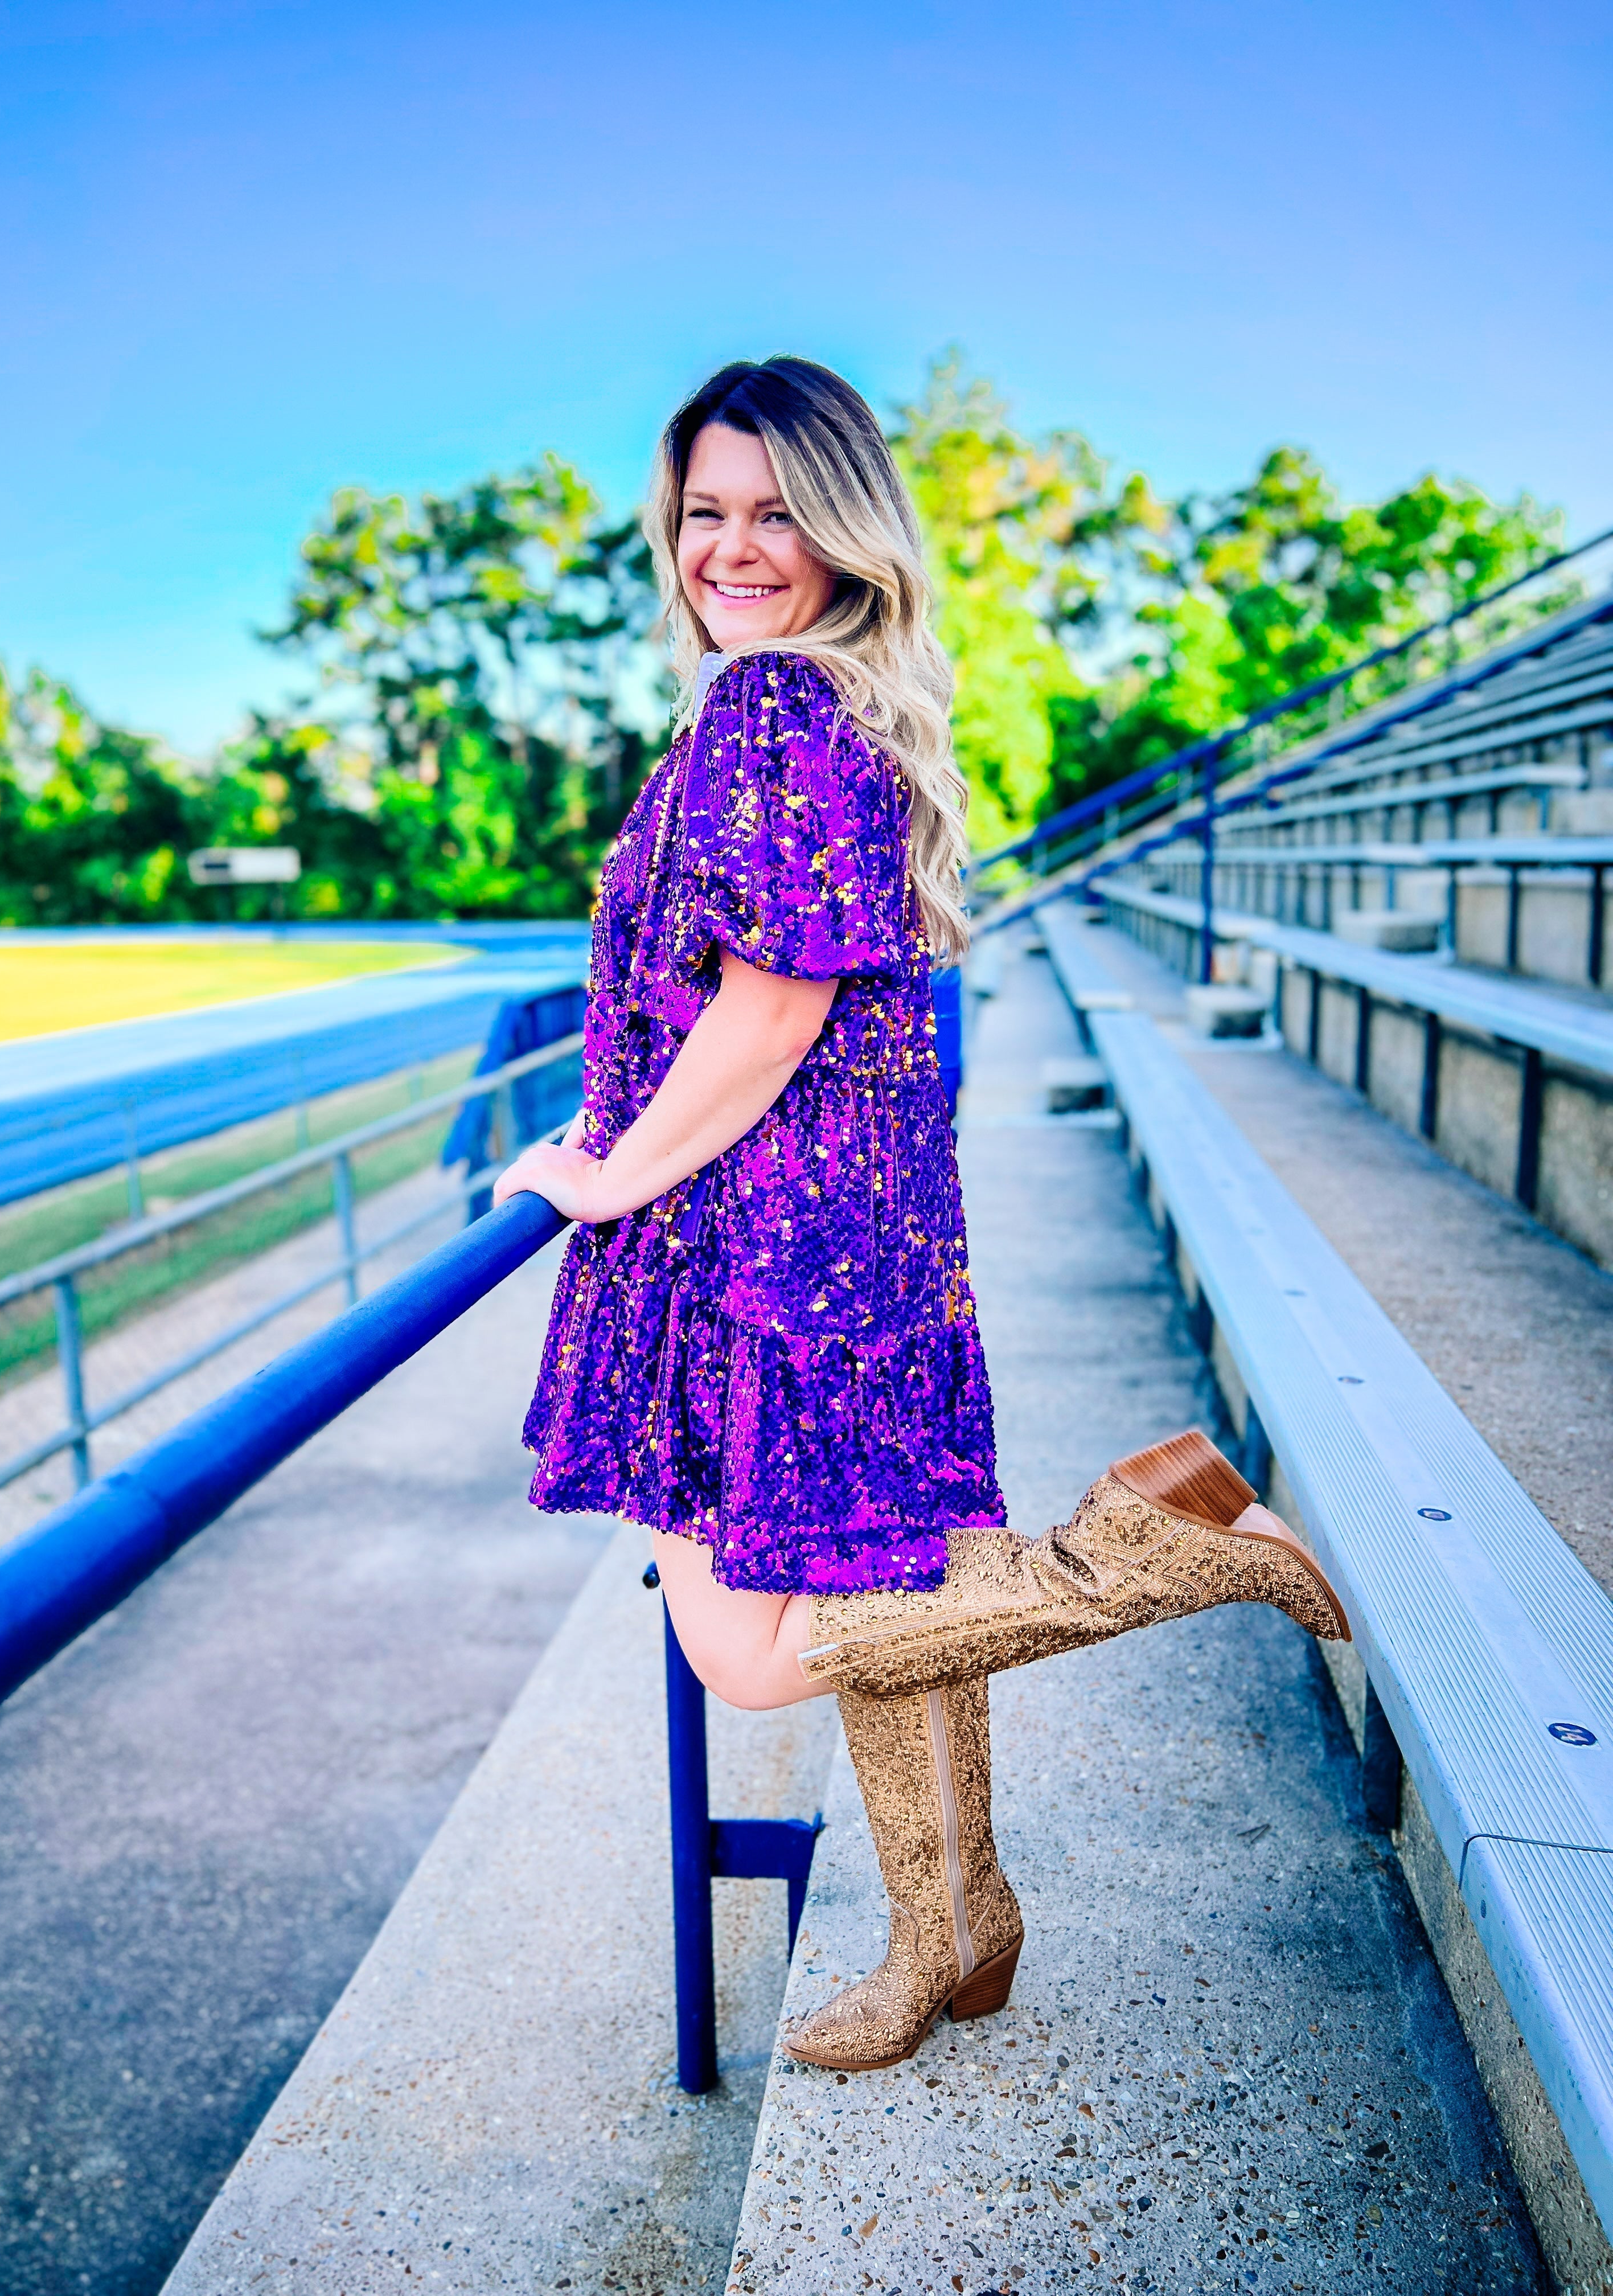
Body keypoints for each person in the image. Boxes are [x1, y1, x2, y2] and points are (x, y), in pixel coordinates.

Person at [494, 356, 1348, 2074]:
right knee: (894, 1582)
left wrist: (606, 1172)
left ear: (846, 528)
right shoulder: (826, 705)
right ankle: (953, 1931)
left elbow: (769, 1007)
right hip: (858, 1229)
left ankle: (1150, 1552)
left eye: (777, 512)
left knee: (747, 1653)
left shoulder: (770, 714)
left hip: (772, 1248)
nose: (734, 548)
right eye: (706, 513)